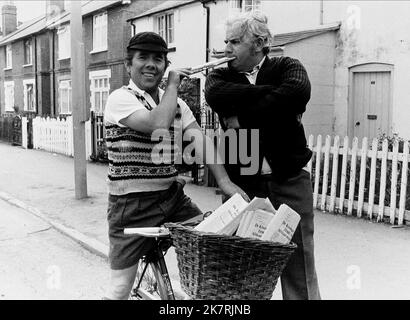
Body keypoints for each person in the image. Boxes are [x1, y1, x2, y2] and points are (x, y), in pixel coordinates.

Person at [103, 32, 248, 300]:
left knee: (212, 241)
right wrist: (172, 85)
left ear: (165, 65)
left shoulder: (178, 105)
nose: (150, 64)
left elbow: (200, 140)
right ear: (128, 65)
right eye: (142, 58)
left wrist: (226, 182)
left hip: (171, 199)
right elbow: (157, 123)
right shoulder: (120, 99)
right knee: (120, 288)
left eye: (158, 59)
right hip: (131, 206)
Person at [204, 12, 321, 300]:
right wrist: (274, 101)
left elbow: (297, 92)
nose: (226, 49)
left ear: (259, 43)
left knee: (299, 264)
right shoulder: (219, 75)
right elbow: (216, 96)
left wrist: (242, 116)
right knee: (244, 269)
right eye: (226, 41)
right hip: (243, 185)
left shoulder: (287, 66)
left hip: (290, 179)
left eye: (235, 42)